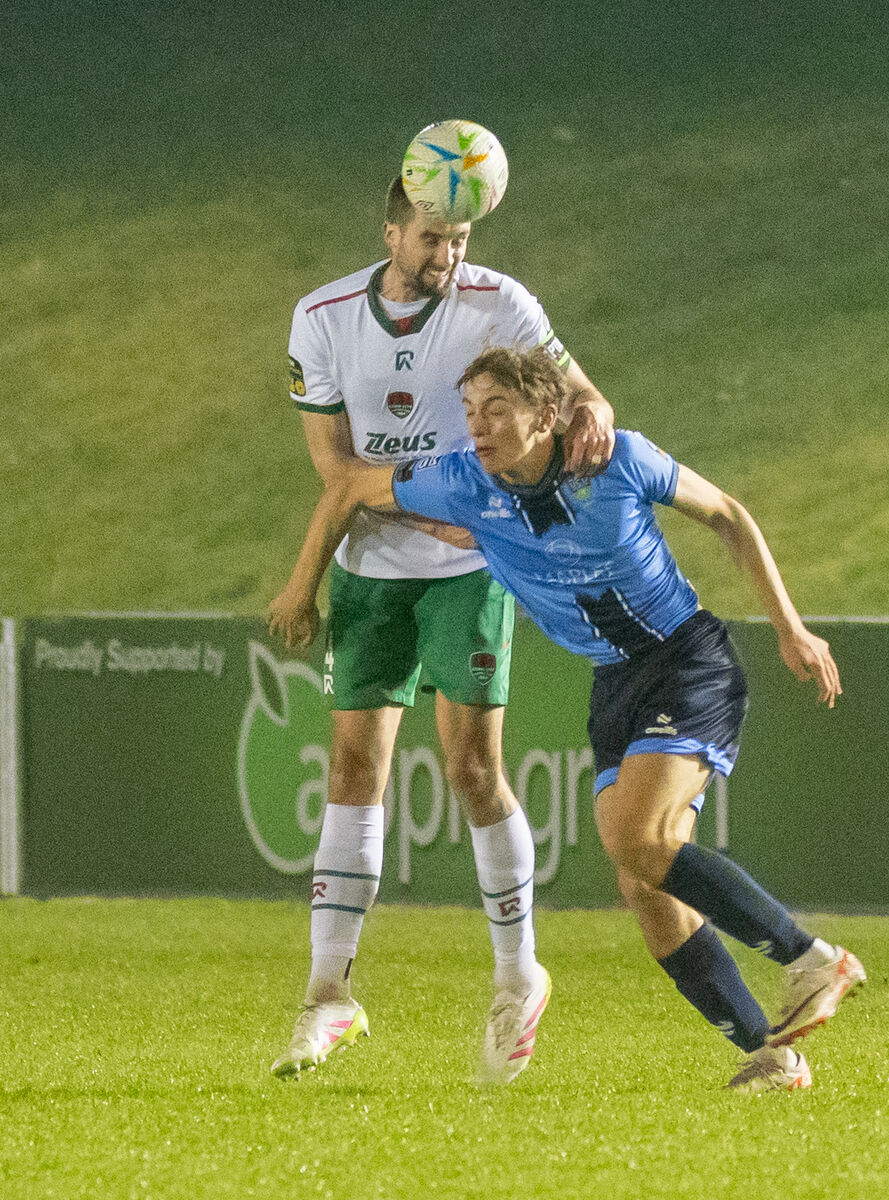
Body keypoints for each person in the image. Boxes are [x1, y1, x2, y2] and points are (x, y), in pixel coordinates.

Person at [269, 345, 867, 1093]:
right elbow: (350, 485)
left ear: (547, 416)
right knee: (644, 886)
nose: (477, 428)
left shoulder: (619, 461)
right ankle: (769, 1052)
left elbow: (728, 515)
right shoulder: (462, 482)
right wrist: (302, 589)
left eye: (496, 410)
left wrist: (788, 626)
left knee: (635, 837)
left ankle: (813, 961)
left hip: (685, 661)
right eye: (469, 412)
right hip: (614, 681)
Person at [269, 177, 616, 1085]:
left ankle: (516, 978)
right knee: (353, 768)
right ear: (391, 229)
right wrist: (329, 569)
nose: (446, 255)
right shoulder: (324, 318)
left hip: (468, 571)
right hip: (370, 570)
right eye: (431, 237)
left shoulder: (501, 303)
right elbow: (333, 467)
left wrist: (595, 415)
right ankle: (326, 995)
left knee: (471, 769)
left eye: (458, 238)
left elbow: (579, 394)